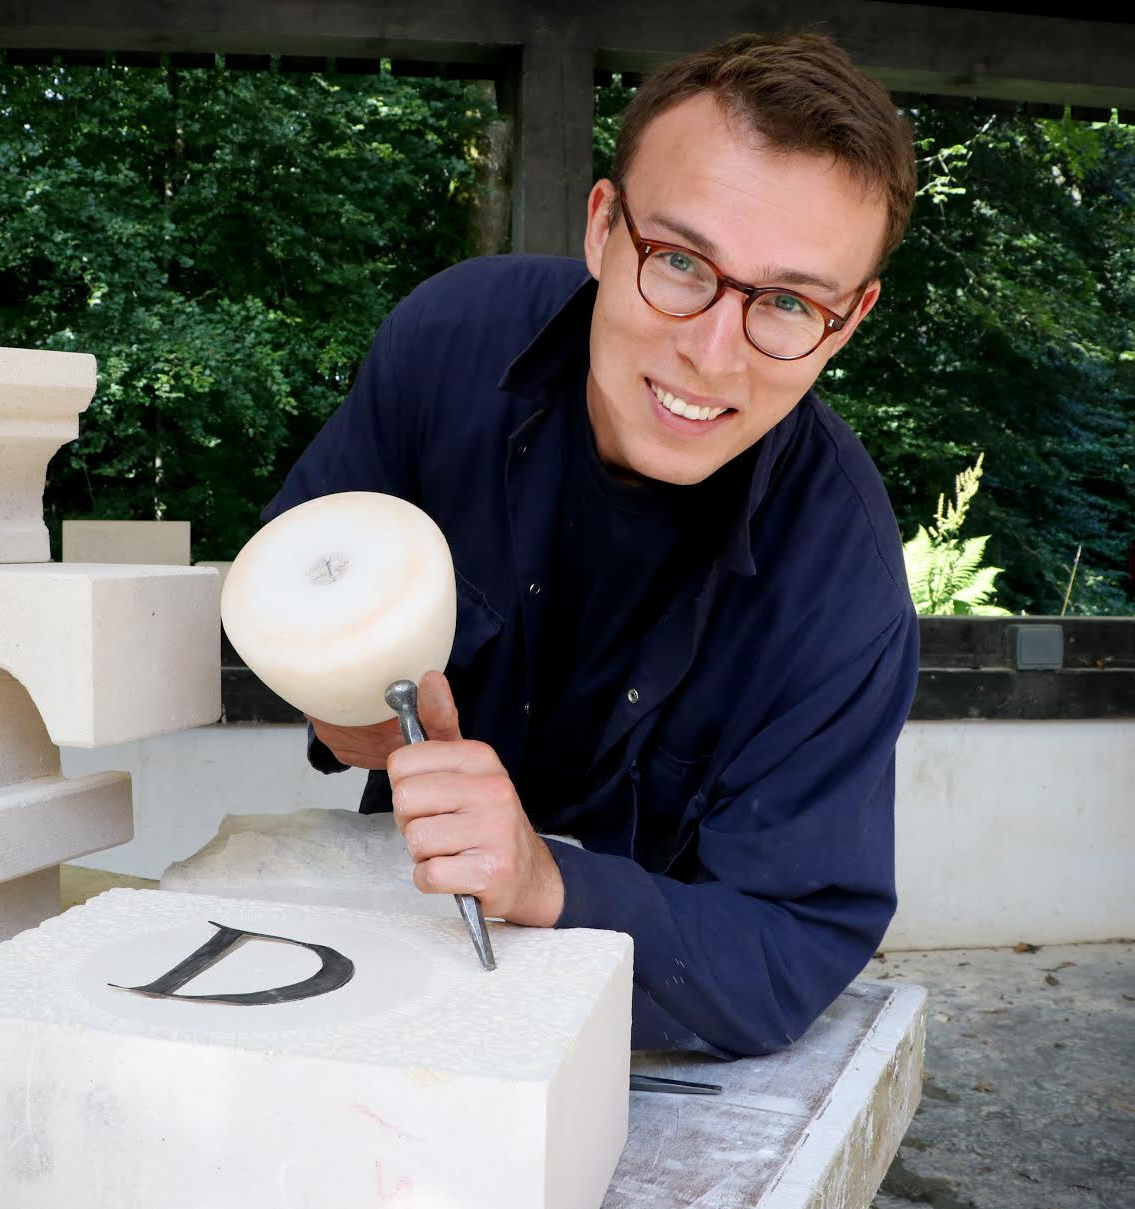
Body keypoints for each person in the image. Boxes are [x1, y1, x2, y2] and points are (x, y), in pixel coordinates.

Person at [264, 32, 919, 1057]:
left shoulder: (842, 585)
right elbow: (294, 572)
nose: (709, 355)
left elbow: (791, 945)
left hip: (639, 1034)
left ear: (846, 324)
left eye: (787, 302)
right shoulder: (448, 345)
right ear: (604, 228)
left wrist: (544, 878)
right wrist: (349, 712)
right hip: (401, 945)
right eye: (679, 263)